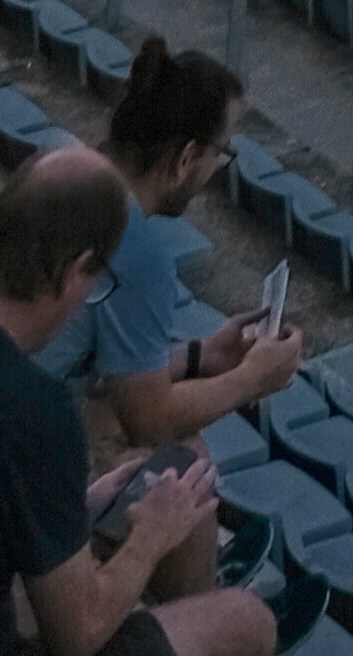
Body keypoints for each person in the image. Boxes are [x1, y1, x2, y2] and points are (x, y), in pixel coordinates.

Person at [0, 155, 272, 656]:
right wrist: (151, 536)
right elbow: (76, 636)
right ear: (75, 270)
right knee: (245, 621)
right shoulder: (35, 408)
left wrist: (77, 508)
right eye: (98, 279)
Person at [49, 66, 297, 458]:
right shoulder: (137, 256)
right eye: (220, 153)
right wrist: (256, 378)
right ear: (186, 158)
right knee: (189, 462)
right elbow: (150, 421)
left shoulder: (59, 163)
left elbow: (114, 372)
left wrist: (203, 355)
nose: (217, 168)